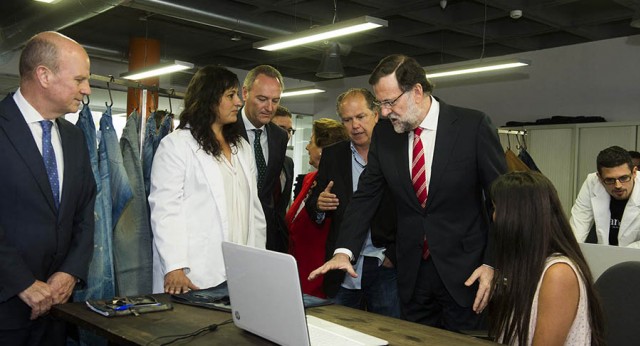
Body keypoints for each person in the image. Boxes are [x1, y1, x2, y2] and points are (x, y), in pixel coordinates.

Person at [309, 54, 506, 331]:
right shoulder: (386, 136)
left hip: (468, 274)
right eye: (381, 104)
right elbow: (366, 196)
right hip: (412, 276)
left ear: (417, 91)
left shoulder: (472, 126)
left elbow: (504, 203)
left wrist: (493, 263)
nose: (386, 112)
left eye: (390, 102)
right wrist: (344, 251)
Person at [0, 31, 96, 345]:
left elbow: (84, 212)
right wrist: (22, 282)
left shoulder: (75, 138)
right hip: (6, 308)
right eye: (80, 79)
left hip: (58, 309)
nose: (87, 89)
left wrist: (71, 271)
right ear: (44, 75)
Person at [149, 65, 266, 294]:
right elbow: (165, 210)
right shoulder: (176, 146)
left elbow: (255, 211)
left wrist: (258, 262)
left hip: (239, 270)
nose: (239, 103)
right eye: (230, 96)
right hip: (194, 273)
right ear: (209, 99)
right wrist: (174, 267)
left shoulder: (241, 147)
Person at [306, 88, 400, 317]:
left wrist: (394, 255)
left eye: (360, 117)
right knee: (338, 328)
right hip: (342, 266)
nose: (355, 125)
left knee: (389, 331)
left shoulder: (397, 151)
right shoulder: (333, 155)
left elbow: (411, 209)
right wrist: (319, 204)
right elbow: (314, 204)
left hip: (384, 263)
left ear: (376, 115)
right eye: (347, 120)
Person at [489, 171, 604, 346]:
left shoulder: (558, 274)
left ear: (516, 216)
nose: (494, 216)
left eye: (497, 208)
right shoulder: (528, 265)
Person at [286, 118, 348, 298]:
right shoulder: (309, 179)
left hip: (319, 273)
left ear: (324, 150)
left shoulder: (339, 185)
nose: (306, 147)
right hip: (296, 266)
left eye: (310, 142)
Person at [234, 65, 289, 253]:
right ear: (245, 93)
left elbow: (268, 192)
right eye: (262, 99)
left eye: (275, 100)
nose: (270, 108)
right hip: (231, 230)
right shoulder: (225, 130)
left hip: (264, 235)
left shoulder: (280, 137)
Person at [570, 146, 640, 248]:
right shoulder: (592, 182)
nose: (618, 185)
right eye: (610, 180)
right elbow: (578, 226)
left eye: (624, 178)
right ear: (599, 177)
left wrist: (620, 255)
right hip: (604, 255)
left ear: (634, 173)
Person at [271, 105, 295, 232]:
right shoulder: (253, 158)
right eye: (281, 128)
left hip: (279, 234)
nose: (286, 134)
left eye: (290, 130)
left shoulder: (288, 163)